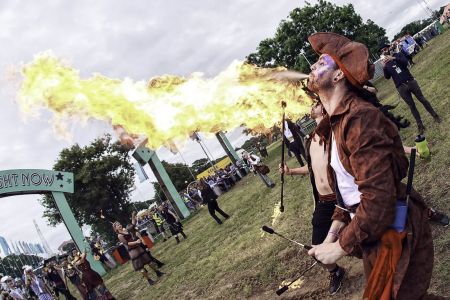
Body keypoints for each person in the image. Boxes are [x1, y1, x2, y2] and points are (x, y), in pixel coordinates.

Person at [305, 32, 440, 299]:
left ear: (339, 75)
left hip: (391, 230)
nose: (312, 67)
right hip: (371, 232)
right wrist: (332, 233)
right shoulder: (334, 124)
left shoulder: (360, 120)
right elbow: (347, 192)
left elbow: (378, 199)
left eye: (321, 63)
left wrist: (339, 248)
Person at [279, 102, 346, 295]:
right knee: (316, 249)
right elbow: (312, 168)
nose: (311, 106)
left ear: (324, 108)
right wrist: (290, 171)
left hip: (343, 195)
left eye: (316, 104)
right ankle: (336, 271)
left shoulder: (333, 128)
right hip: (325, 201)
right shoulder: (310, 139)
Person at [380, 41, 441, 134]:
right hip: (401, 87)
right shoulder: (385, 63)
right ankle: (420, 125)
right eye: (382, 51)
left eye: (385, 49)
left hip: (410, 82)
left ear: (388, 48)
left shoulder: (397, 54)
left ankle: (435, 116)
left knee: (422, 99)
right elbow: (387, 77)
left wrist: (394, 58)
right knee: (412, 106)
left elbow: (405, 62)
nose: (384, 51)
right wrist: (384, 67)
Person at [113, 222, 164, 286]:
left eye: (120, 224)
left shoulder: (125, 230)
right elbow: (127, 244)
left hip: (138, 247)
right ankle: (149, 280)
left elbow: (133, 230)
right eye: (117, 225)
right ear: (115, 228)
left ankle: (158, 272)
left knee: (149, 262)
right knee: (141, 268)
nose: (119, 225)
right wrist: (136, 242)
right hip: (133, 251)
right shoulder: (119, 235)